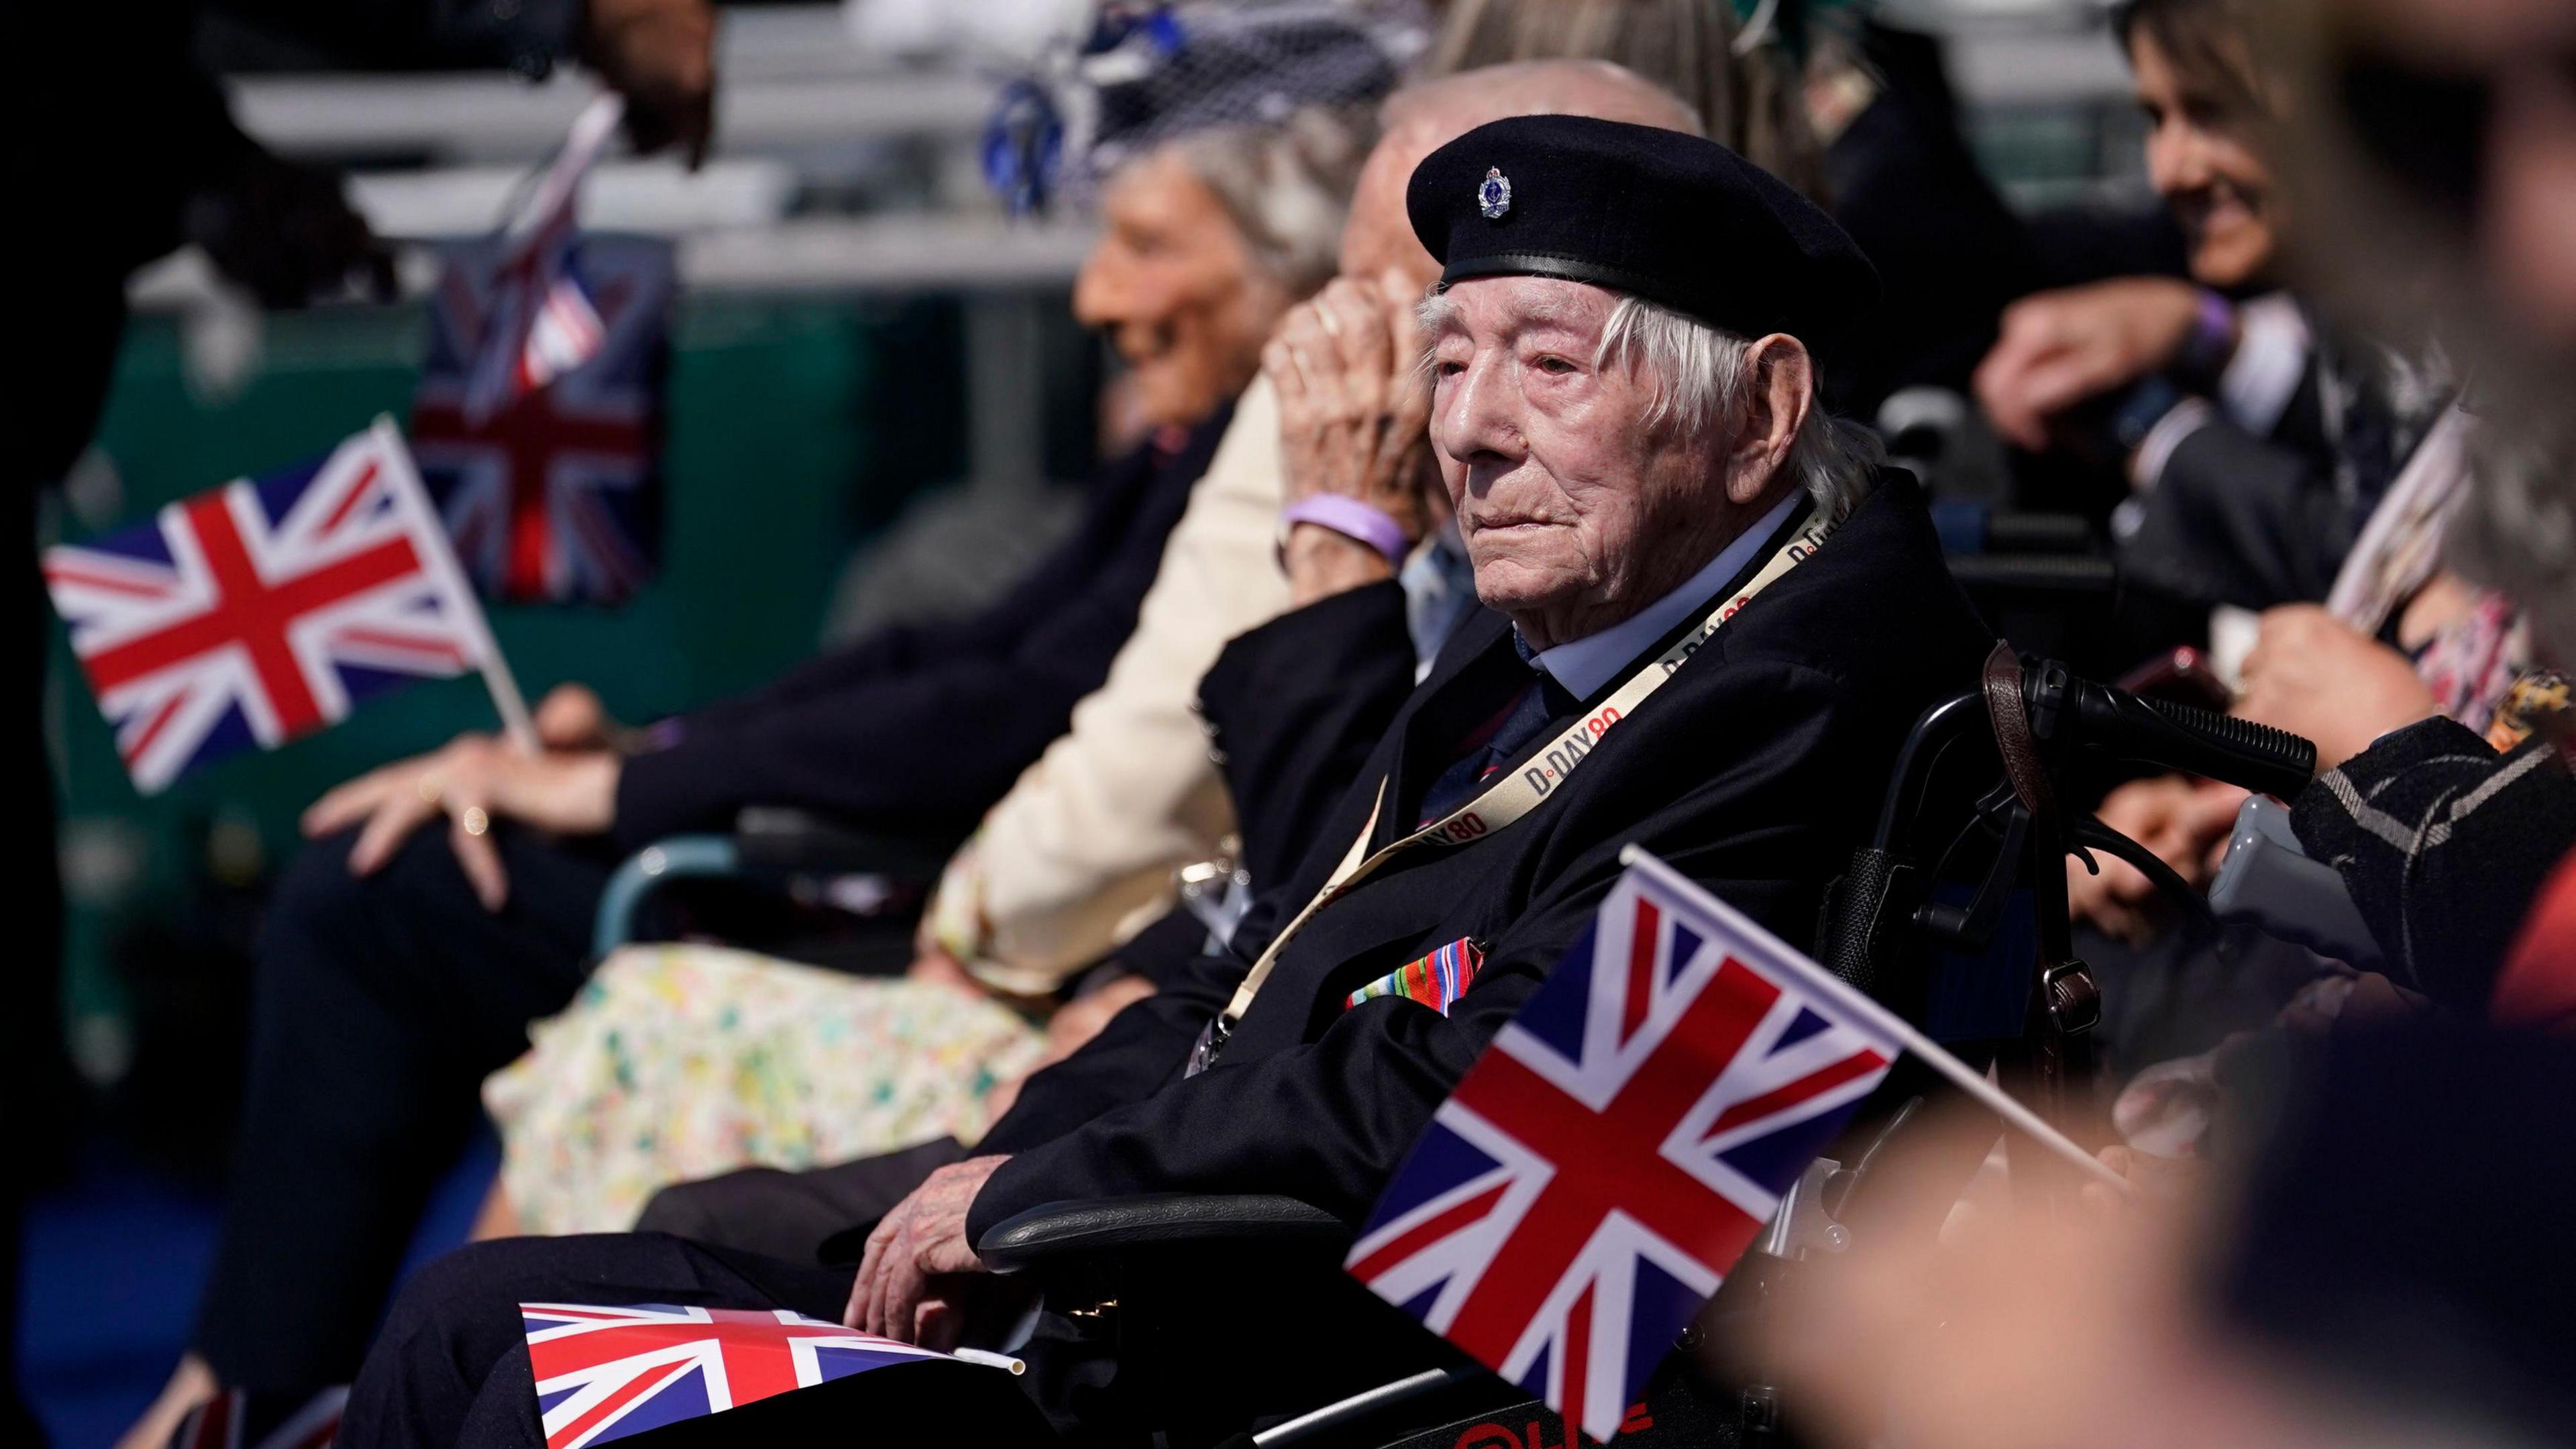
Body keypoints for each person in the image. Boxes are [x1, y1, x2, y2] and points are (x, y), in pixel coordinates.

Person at [337, 113, 1997, 1447]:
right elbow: (1262, 950)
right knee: (460, 1316)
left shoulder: (1787, 708)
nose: (1468, 431)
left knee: (518, 1383)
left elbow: (1471, 1113)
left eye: (1547, 365)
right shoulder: (1584, 626)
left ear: (1761, 411)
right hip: (1145, 1282)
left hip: (1284, 1378)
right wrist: (990, 1177)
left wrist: (1033, 1205)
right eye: (1450, 360)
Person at [133, 61, 1383, 1448]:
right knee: (400, 922)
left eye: (1145, 245)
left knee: (415, 932)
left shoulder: (1310, 495)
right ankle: (271, 1396)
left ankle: (276, 1404)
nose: (1094, 295)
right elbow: (964, 662)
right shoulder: (1204, 455)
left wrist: (622, 787)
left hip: (967, 934)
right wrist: (643, 752)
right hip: (989, 929)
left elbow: (1018, 713)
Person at [473, 60, 1711, 1244]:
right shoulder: (1406, 508)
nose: (1460, 405)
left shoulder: (1609, 610)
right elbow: (1006, 680)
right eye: (1427, 335)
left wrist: (1336, 547)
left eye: (1541, 356)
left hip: (1230, 1199)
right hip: (1141, 1058)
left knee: (600, 1146)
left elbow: (1348, 930)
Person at [1974, 0, 2455, 615]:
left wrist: (2158, 434)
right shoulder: (2354, 298)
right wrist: (2205, 332)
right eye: (2155, 116)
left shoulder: (2492, 329)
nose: (2170, 170)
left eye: (2213, 111)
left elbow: (2382, 575)